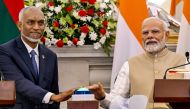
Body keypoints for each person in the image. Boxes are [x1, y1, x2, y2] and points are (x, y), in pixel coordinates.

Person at [88, 17, 186, 109]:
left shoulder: (183, 62)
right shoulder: (130, 64)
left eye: (155, 32)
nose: (150, 36)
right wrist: (102, 96)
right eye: (145, 33)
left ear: (167, 35)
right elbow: (116, 102)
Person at [0, 6, 75, 109]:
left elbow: (54, 92)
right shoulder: (5, 51)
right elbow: (19, 82)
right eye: (30, 22)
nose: (36, 27)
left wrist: (54, 98)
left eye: (40, 23)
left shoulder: (50, 56)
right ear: (20, 25)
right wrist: (51, 97)